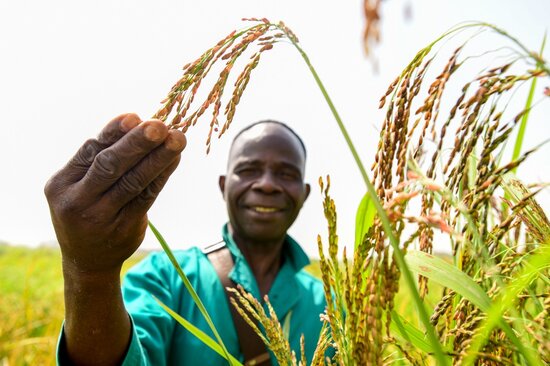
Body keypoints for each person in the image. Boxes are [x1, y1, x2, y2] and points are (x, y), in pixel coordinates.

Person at [45, 113, 328, 365]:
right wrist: (91, 271)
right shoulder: (165, 277)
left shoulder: (331, 306)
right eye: (249, 170)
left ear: (303, 194)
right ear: (223, 186)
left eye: (286, 174)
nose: (266, 184)